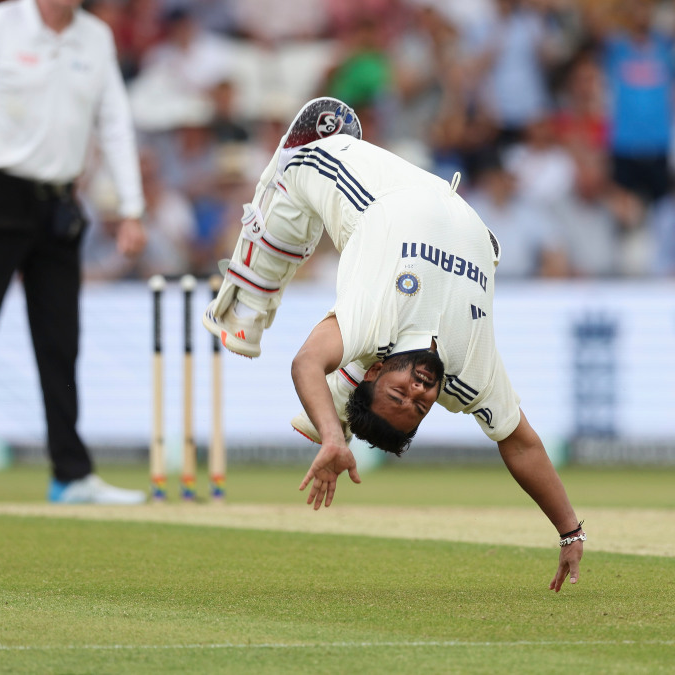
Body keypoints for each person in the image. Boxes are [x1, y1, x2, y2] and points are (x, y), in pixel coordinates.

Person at [203, 97, 585, 591]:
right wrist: (568, 530)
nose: (421, 392)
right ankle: (335, 406)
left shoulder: (374, 324)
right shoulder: (468, 377)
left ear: (379, 371)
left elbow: (305, 363)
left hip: (367, 184)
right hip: (464, 217)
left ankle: (244, 307)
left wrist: (334, 439)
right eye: (421, 407)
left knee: (294, 168)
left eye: (400, 394)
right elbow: (520, 443)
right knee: (349, 368)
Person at [0, 0, 148, 507]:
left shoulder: (95, 37)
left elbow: (114, 124)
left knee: (61, 342)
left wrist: (132, 208)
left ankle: (71, 473)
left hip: (59, 202)